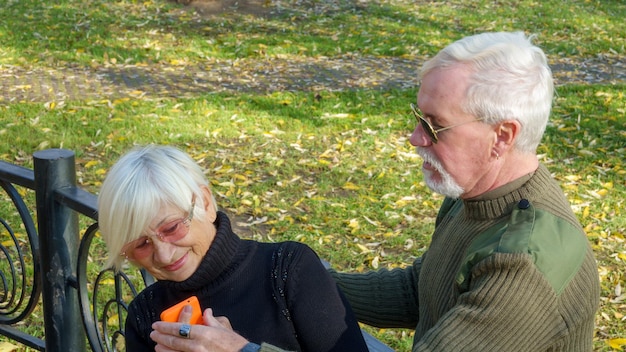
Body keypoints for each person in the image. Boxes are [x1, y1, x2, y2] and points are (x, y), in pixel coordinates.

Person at [329, 31, 601, 351]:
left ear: (502, 137)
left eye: (433, 126)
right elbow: (422, 291)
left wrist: (253, 349)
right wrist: (301, 282)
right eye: (419, 118)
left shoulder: (523, 264)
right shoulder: (472, 195)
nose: (415, 138)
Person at [97, 144, 368, 352]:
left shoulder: (286, 270)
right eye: (142, 245)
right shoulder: (145, 314)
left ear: (205, 203)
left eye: (171, 228)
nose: (164, 255)